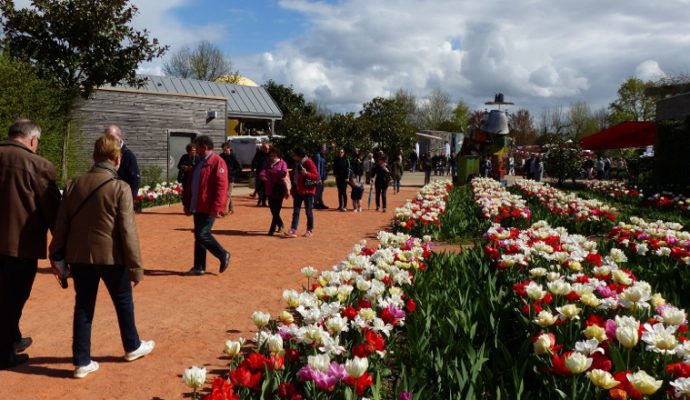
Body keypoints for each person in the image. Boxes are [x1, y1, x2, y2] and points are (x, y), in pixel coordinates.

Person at [49, 134, 154, 378]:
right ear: (117, 159)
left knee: (83, 306)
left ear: (94, 157)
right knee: (123, 301)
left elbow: (61, 223)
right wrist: (136, 268)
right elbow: (128, 231)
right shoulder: (120, 187)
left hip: (79, 255)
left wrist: (56, 255)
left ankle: (81, 361)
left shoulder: (75, 183)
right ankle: (132, 346)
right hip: (111, 257)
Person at [0, 120, 61, 370]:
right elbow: (53, 210)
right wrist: (62, 244)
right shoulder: (39, 165)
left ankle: (12, 339)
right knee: (13, 298)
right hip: (20, 247)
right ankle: (4, 353)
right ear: (33, 140)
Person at [182, 135, 231, 276]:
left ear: (204, 147)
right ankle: (199, 266)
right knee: (199, 236)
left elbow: (222, 187)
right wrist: (187, 203)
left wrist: (217, 208)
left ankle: (223, 254)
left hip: (209, 206)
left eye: (197, 147)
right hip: (198, 205)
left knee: (202, 234)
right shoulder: (200, 162)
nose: (195, 150)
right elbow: (191, 183)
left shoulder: (217, 162)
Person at [284, 146, 320, 238]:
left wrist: (306, 174)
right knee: (296, 211)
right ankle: (293, 229)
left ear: (299, 155)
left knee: (308, 211)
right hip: (297, 190)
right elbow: (294, 175)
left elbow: (316, 176)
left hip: (307, 191)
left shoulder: (309, 162)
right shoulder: (296, 163)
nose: (293, 156)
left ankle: (309, 229)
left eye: (294, 154)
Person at [104, 125, 140, 207]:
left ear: (119, 137)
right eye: (107, 137)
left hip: (122, 198)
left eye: (112, 137)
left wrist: (130, 200)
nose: (109, 140)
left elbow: (135, 179)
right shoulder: (104, 154)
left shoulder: (128, 155)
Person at [259, 147, 289, 236]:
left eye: (274, 155)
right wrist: (262, 176)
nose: (272, 157)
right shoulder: (268, 164)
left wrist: (274, 172)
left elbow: (284, 172)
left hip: (279, 189)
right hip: (269, 189)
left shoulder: (283, 163)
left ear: (278, 155)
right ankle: (280, 224)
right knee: (273, 210)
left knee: (277, 209)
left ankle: (272, 229)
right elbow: (263, 172)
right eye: (271, 156)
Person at [219, 142, 242, 215]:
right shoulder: (221, 156)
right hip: (222, 177)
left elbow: (239, 168)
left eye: (226, 149)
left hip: (231, 178)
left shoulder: (234, 156)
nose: (224, 151)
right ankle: (231, 209)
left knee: (228, 193)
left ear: (230, 148)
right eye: (223, 150)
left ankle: (224, 210)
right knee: (226, 193)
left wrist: (232, 173)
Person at [313, 145, 329, 209]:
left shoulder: (322, 155)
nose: (325, 150)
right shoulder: (317, 155)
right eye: (324, 149)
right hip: (319, 176)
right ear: (321, 149)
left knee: (321, 190)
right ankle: (315, 203)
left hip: (322, 176)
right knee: (318, 190)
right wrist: (318, 177)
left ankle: (320, 203)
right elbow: (318, 167)